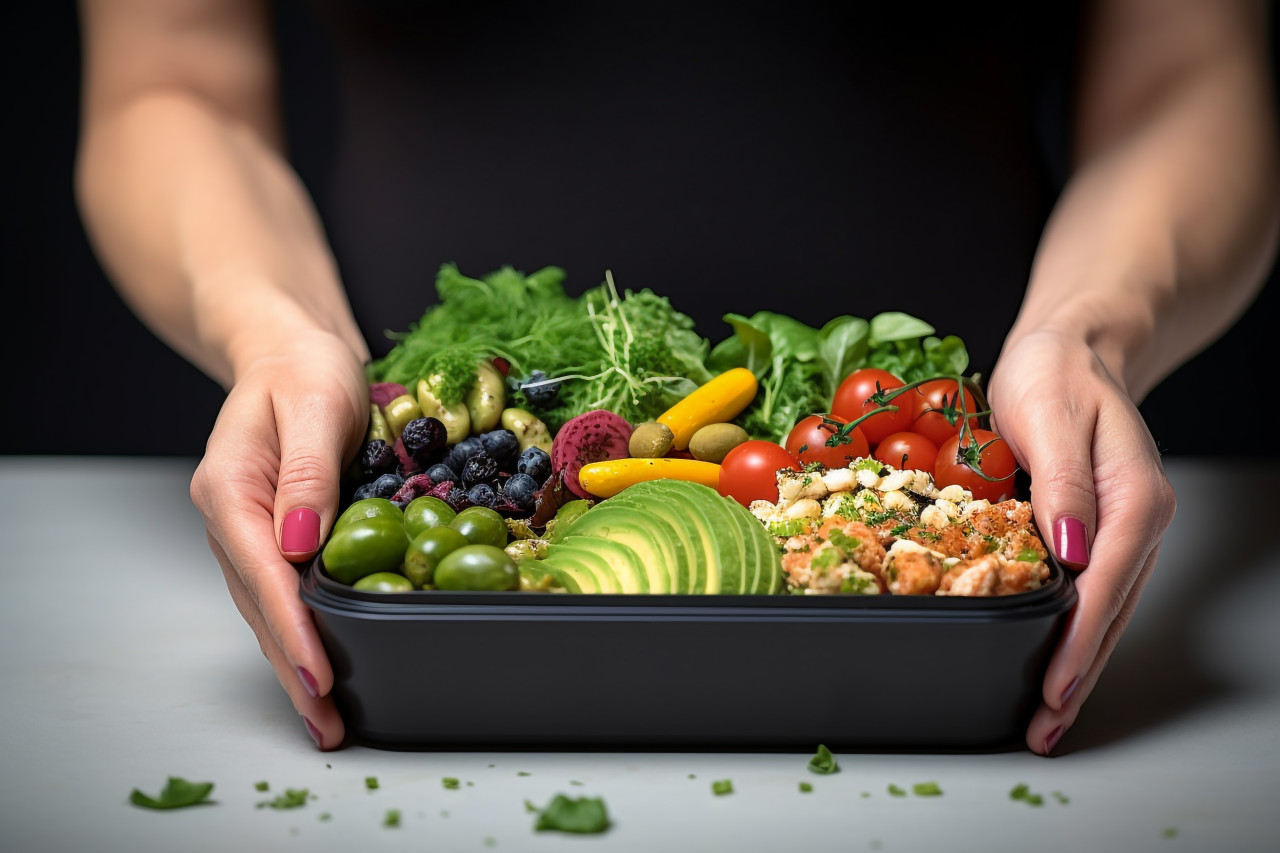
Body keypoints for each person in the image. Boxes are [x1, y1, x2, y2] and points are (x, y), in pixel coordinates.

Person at [75, 0, 1278, 754]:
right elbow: (170, 81)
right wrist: (275, 333)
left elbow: (1186, 69)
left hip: (941, 437)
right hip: (411, 436)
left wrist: (1087, 333)